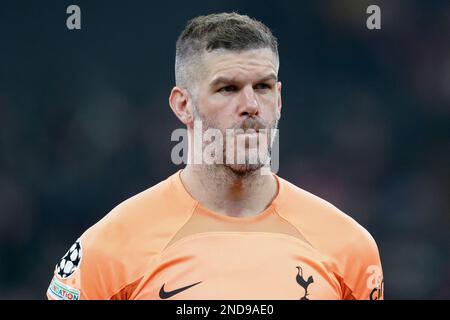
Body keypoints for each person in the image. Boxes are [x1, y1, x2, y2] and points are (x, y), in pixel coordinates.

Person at [47, 12, 384, 300]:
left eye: (263, 87)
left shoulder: (349, 247)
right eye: (228, 89)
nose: (251, 105)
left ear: (279, 100)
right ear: (183, 105)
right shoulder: (108, 249)